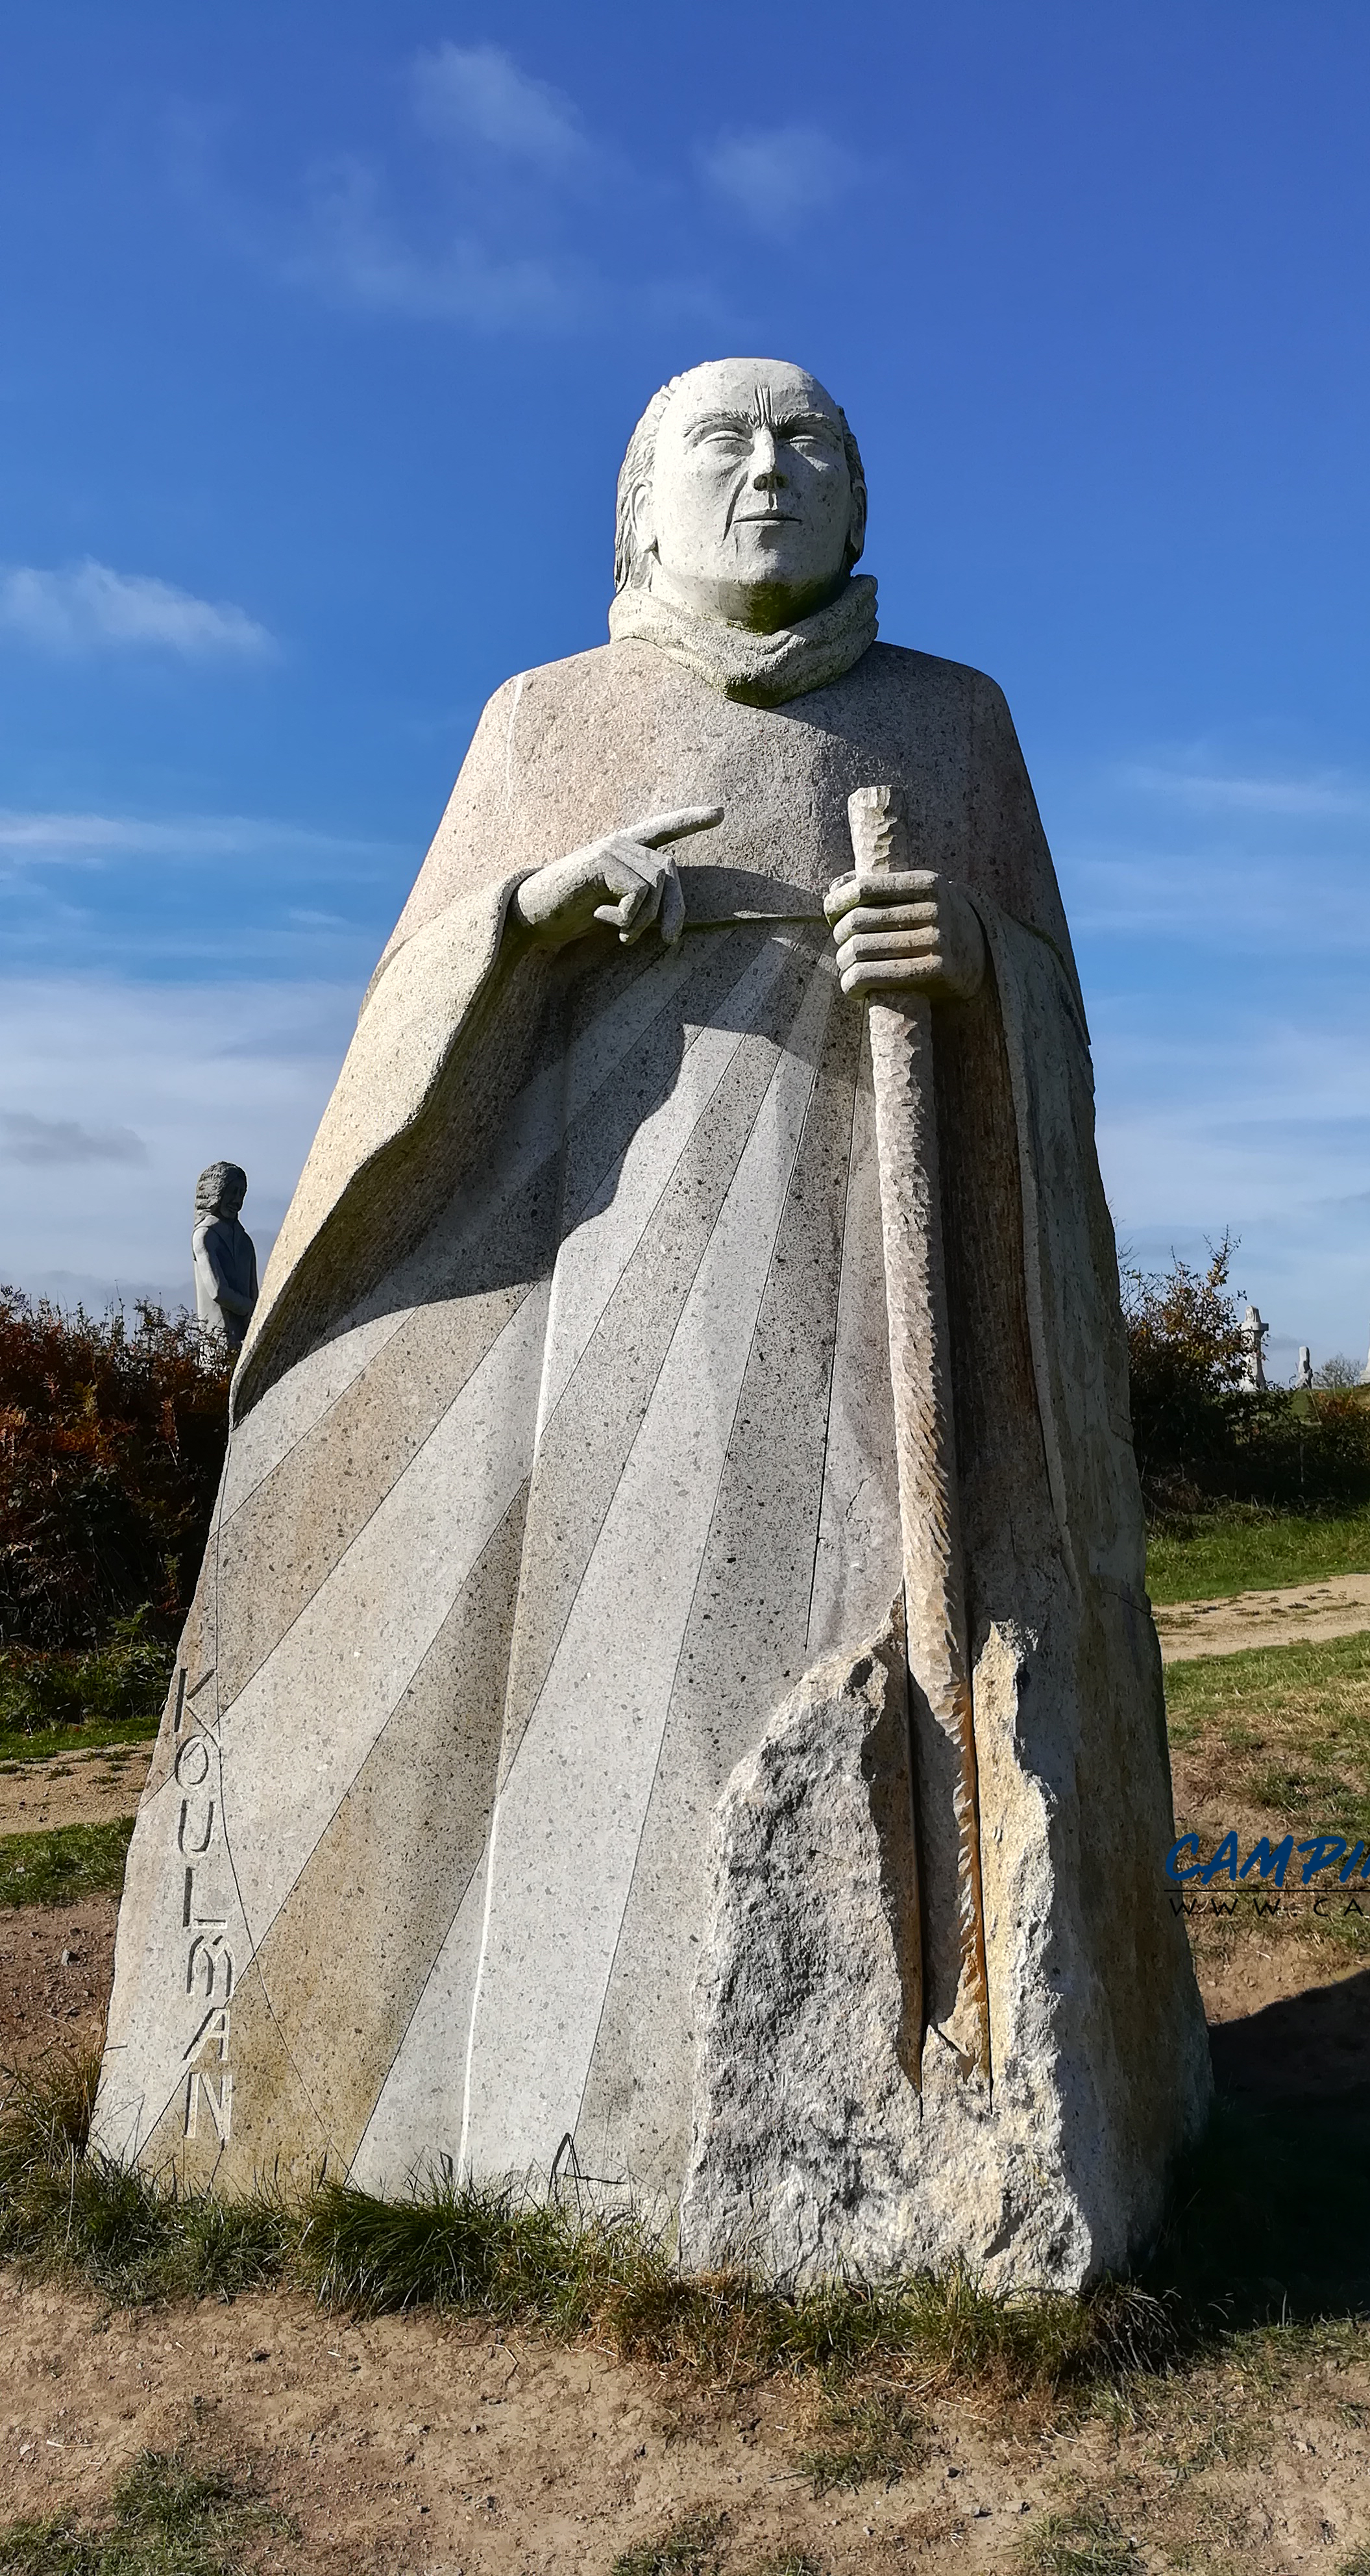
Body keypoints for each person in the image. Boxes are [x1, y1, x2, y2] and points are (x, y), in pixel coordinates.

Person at [96, 359, 1207, 2286]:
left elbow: (1049, 1002)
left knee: (873, 1649)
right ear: (636, 507)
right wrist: (530, 912)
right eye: (721, 441)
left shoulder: (954, 723)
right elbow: (405, 1007)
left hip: (888, 1291)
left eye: (810, 444)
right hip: (594, 1286)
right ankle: (572, 2130)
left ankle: (933, 2109)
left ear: (860, 509)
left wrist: (964, 962)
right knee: (599, 1699)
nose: (768, 468)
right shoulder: (543, 718)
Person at [191, 1161, 258, 1352]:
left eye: (242, 1194)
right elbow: (218, 1290)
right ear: (216, 1193)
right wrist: (250, 1308)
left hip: (247, 1343)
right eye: (233, 1192)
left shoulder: (245, 1242)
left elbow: (254, 1290)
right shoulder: (205, 1235)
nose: (237, 1200)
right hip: (216, 1345)